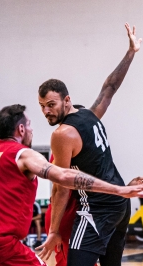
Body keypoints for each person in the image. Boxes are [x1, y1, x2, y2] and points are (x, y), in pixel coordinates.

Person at [0, 104, 143, 266]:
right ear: (21, 129)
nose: (32, 129)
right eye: (29, 125)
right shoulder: (23, 154)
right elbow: (62, 178)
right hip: (1, 243)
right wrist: (119, 190)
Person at [37, 23, 143, 265]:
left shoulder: (62, 134)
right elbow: (110, 88)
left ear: (66, 100)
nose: (46, 111)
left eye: (51, 104)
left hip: (97, 208)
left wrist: (53, 231)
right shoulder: (88, 114)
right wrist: (130, 53)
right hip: (120, 204)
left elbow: (61, 186)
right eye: (42, 105)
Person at [43, 104, 98, 266]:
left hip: (67, 213)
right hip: (66, 214)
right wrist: (55, 229)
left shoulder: (76, 149)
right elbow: (61, 189)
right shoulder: (67, 149)